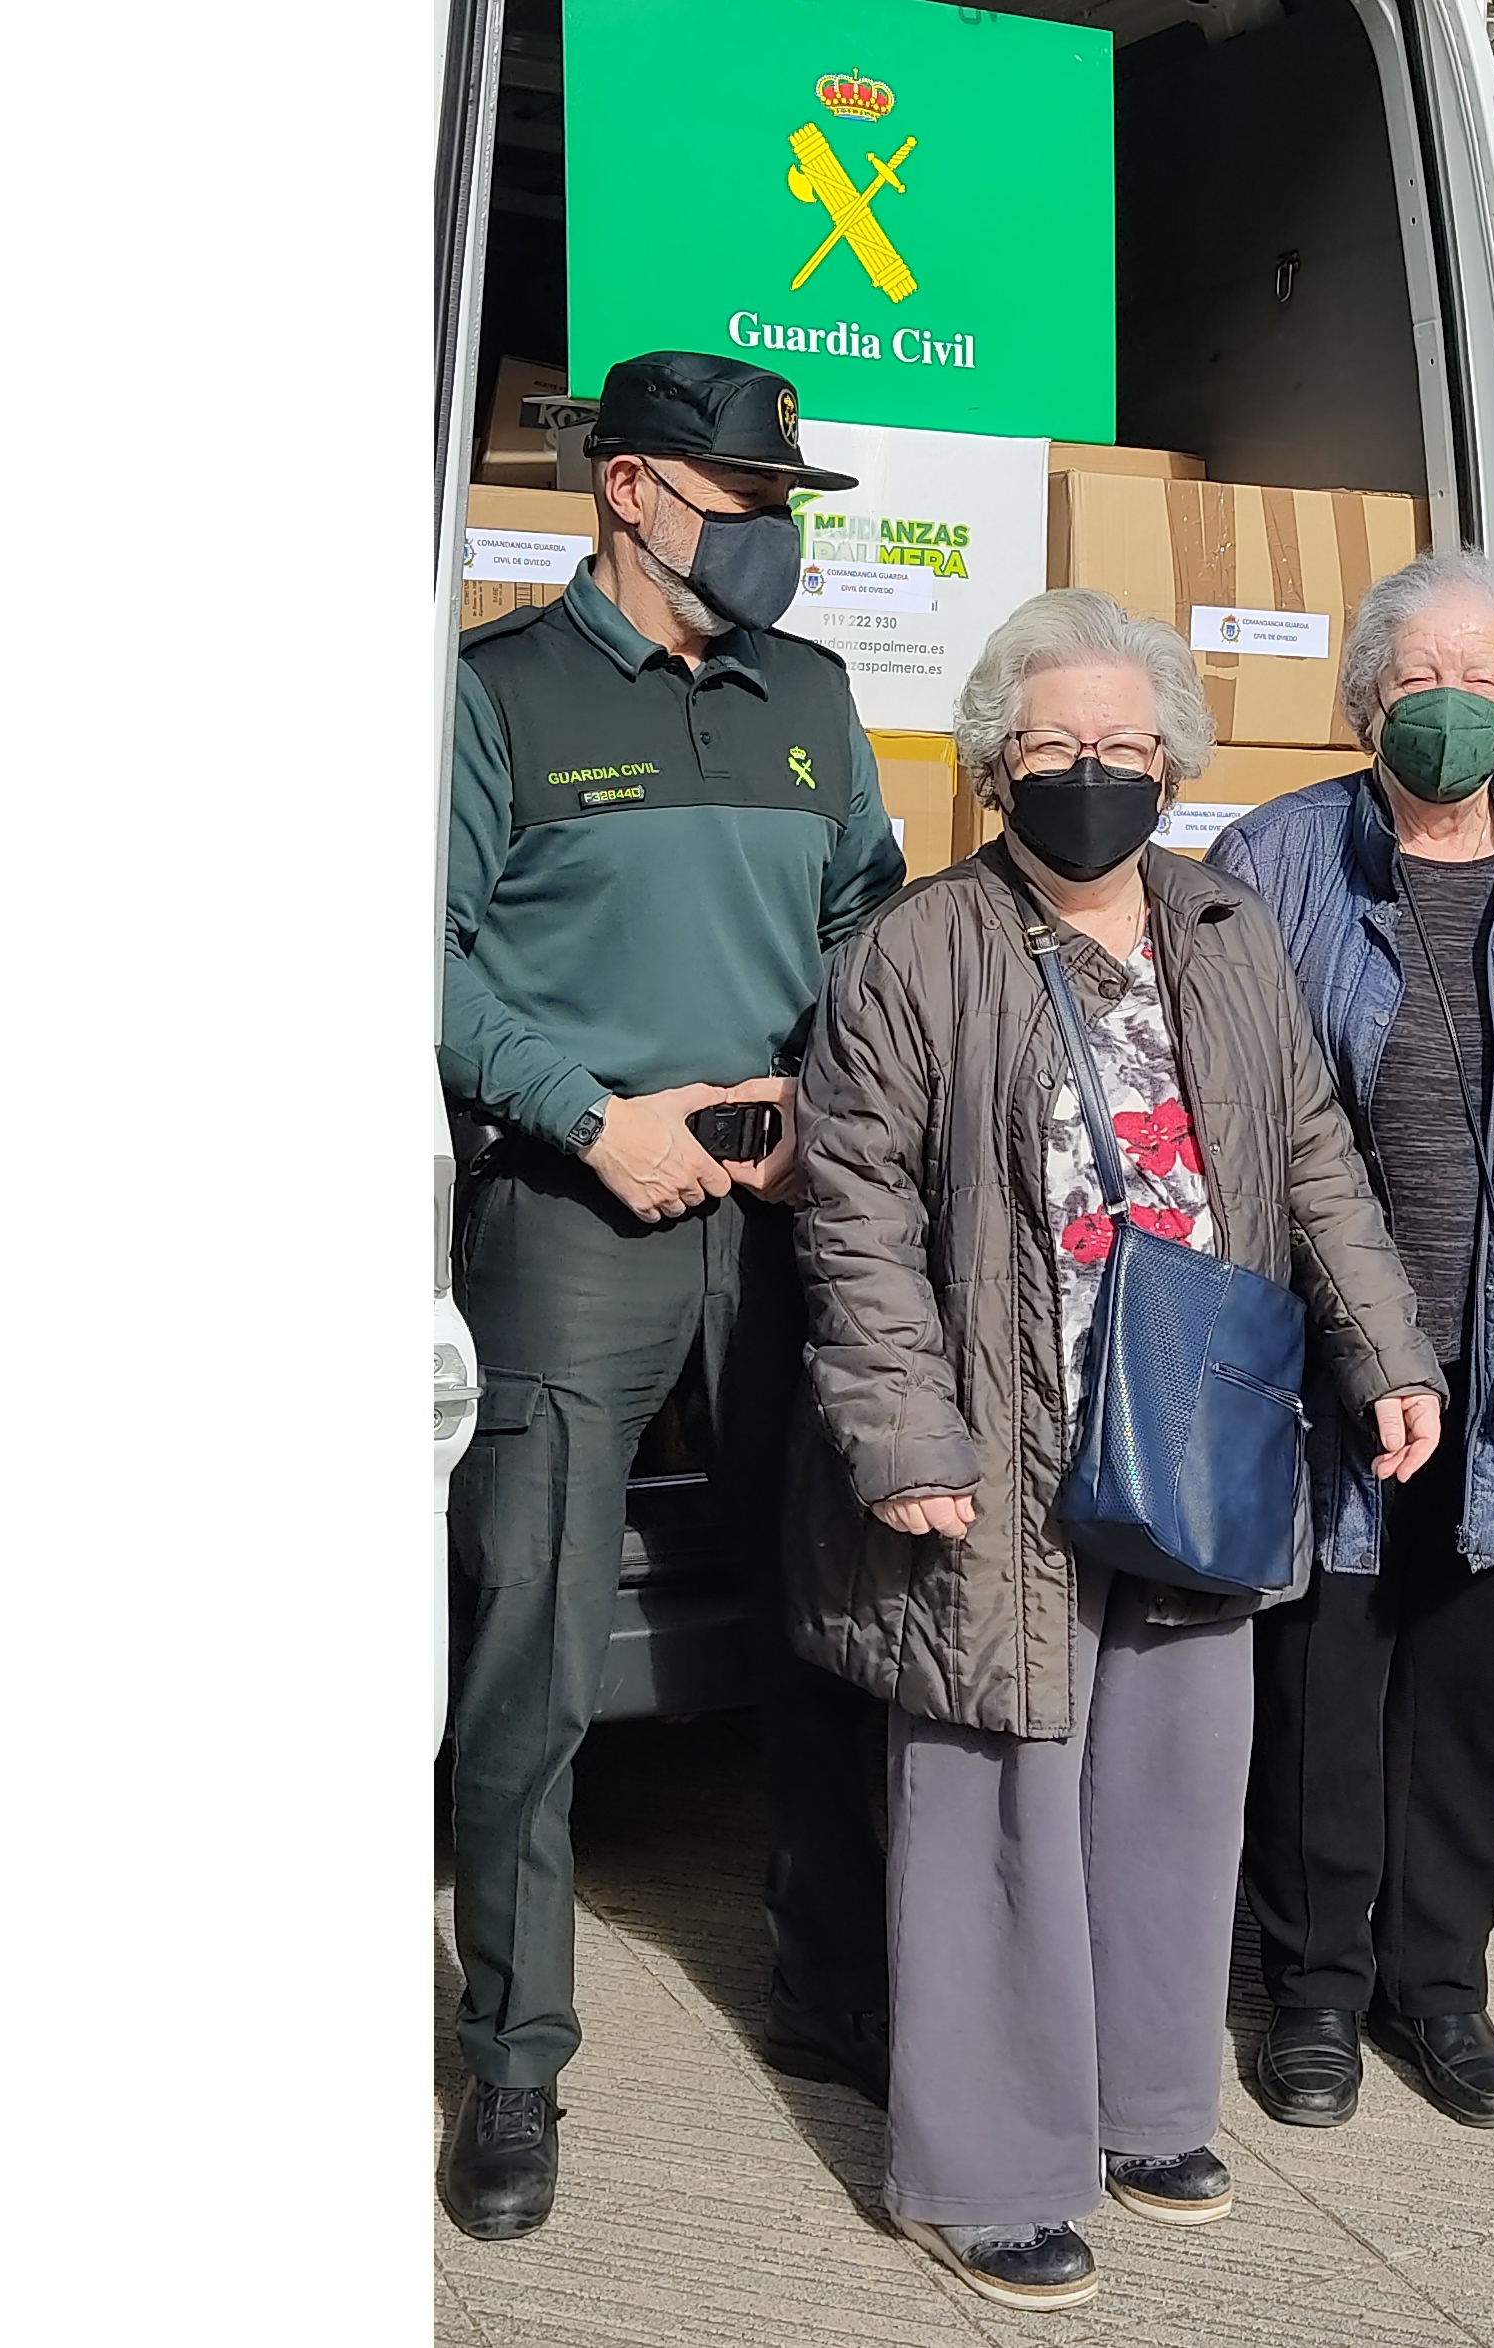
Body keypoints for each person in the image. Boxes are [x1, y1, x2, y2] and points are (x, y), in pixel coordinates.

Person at [790, 588, 1446, 2315]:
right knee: (995, 1788)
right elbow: (851, 1216)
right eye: (1056, 746)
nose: (1092, 772)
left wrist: (1384, 1346)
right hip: (997, 1441)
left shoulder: (1227, 931)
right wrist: (902, 1433)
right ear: (1000, 762)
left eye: (1125, 747)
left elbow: (1310, 1154)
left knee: (1171, 1780)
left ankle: (1147, 2108)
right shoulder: (918, 949)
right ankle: (987, 2169)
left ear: (1175, 764)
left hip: (1194, 1418)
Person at [433, 352, 908, 2243]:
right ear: (628, 490)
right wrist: (577, 1112)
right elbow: (418, 956)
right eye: (742, 503)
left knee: (829, 1618)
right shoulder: (494, 696)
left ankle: (831, 1988)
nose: (776, 541)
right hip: (576, 1209)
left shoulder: (813, 697)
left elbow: (869, 918)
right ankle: (515, 2057)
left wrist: (824, 1097)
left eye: (786, 506)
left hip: (781, 1212)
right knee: (530, 1648)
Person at [1206, 552, 1494, 2132]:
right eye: (1419, 676)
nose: (1450, 705)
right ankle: (1315, 1993)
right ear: (1360, 698)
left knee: (1473, 1699)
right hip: (1319, 1362)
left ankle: (1442, 1992)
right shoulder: (1271, 860)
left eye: (1482, 679)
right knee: (1322, 1693)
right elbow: (1226, 1117)